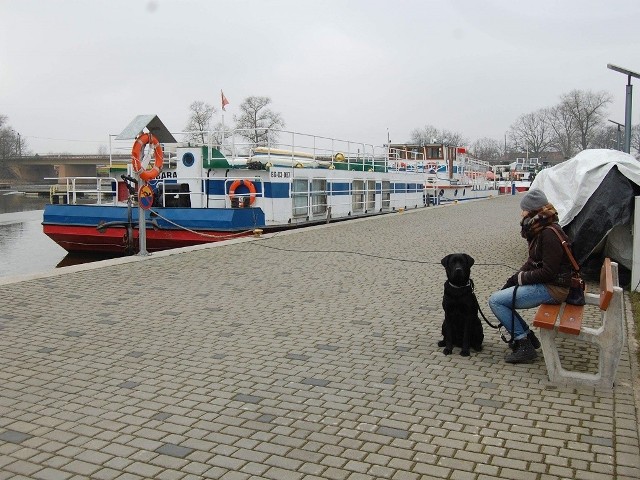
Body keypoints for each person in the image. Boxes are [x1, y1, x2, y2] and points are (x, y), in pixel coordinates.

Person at [488, 189, 573, 363]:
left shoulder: (548, 234)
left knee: (496, 301)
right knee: (501, 297)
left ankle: (524, 343)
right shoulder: (541, 230)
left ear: (533, 211)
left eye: (524, 209)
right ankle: (528, 337)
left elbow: (548, 272)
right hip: (552, 284)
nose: (521, 213)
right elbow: (533, 261)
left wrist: (521, 279)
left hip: (555, 288)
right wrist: (513, 279)